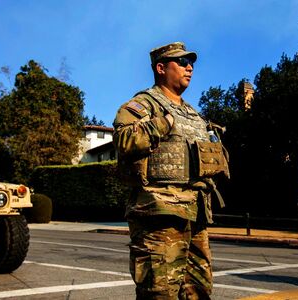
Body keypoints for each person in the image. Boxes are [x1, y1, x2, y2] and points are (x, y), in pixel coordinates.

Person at [113, 42, 229, 299]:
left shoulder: (193, 114)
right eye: (182, 62)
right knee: (159, 292)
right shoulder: (144, 104)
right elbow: (123, 140)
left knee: (198, 292)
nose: (189, 67)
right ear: (161, 68)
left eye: (191, 63)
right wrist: (161, 125)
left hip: (196, 214)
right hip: (160, 214)